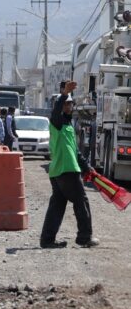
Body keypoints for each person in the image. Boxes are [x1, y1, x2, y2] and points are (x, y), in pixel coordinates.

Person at [39, 81, 99, 249]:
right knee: (81, 201)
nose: (68, 106)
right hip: (66, 170)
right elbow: (56, 111)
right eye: (65, 103)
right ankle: (84, 237)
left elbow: (75, 151)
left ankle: (47, 240)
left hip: (59, 171)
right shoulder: (56, 122)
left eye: (70, 103)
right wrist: (64, 93)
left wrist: (87, 167)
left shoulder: (68, 126)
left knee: (57, 206)